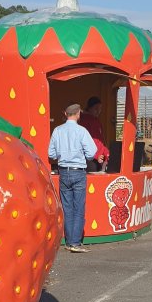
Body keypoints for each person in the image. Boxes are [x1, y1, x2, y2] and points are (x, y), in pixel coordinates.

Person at [48, 103, 97, 252]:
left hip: (63, 172)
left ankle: (69, 242)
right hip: (78, 171)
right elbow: (91, 153)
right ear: (78, 114)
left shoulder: (57, 130)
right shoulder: (82, 131)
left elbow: (51, 154)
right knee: (78, 208)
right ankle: (75, 243)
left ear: (65, 114)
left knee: (67, 208)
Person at [80, 97, 109, 172]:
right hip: (90, 158)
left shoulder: (96, 120)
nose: (98, 111)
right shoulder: (85, 120)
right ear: (89, 108)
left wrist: (105, 152)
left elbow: (100, 140)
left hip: (98, 156)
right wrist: (99, 154)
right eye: (96, 108)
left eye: (100, 109)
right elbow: (90, 141)